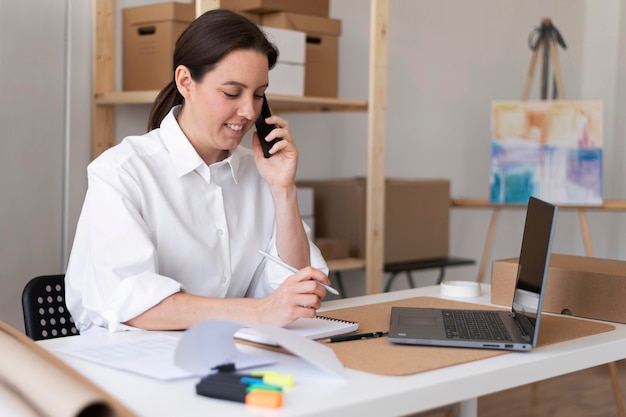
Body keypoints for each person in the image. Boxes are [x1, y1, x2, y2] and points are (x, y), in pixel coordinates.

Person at [65, 9, 329, 334]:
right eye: (231, 93)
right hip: (134, 362)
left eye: (259, 94)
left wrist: (283, 190)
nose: (249, 111)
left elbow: (296, 286)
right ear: (186, 82)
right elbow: (131, 302)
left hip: (229, 352)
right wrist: (258, 312)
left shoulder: (258, 171)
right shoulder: (121, 173)